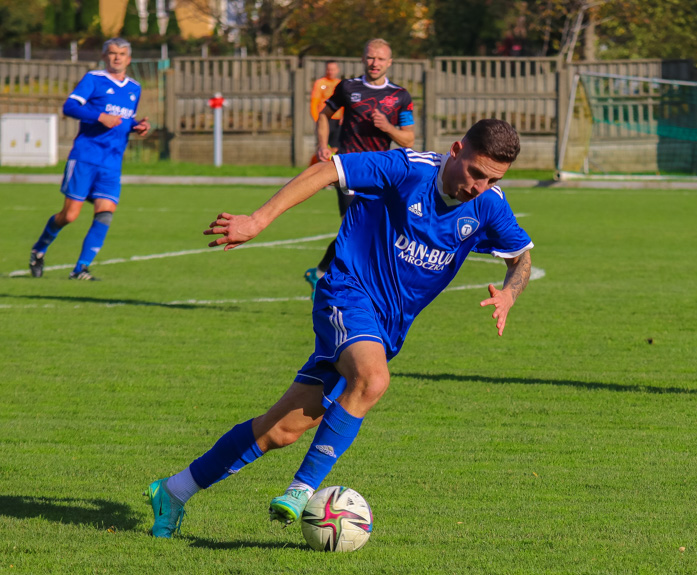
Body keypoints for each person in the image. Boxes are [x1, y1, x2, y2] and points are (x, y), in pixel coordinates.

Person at [146, 119, 533, 538]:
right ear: (456, 150)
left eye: (492, 178)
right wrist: (258, 220)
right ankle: (302, 489)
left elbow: (522, 257)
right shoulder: (407, 169)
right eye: (476, 172)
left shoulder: (489, 203)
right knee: (372, 379)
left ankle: (173, 491)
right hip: (346, 294)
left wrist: (511, 293)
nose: (478, 186)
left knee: (282, 429)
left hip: (387, 327)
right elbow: (328, 169)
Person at [28, 38, 150, 281]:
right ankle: (39, 250)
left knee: (105, 214)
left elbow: (125, 120)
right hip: (85, 157)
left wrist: (138, 126)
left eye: (122, 54)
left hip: (112, 162)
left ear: (129, 58)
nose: (117, 58)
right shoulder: (94, 80)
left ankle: (80, 269)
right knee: (69, 216)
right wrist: (99, 117)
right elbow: (69, 107)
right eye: (112, 53)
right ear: (105, 56)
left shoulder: (134, 88)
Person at [304, 38, 415, 296]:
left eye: (380, 59)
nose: (374, 63)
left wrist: (388, 127)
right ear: (363, 59)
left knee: (362, 228)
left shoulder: (400, 96)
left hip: (380, 172)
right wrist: (322, 145)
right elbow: (323, 115)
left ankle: (320, 273)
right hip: (348, 168)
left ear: (389, 62)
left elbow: (408, 139)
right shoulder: (348, 87)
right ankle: (348, 283)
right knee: (354, 224)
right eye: (370, 57)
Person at [309, 60, 342, 162]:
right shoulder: (321, 83)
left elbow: (344, 104)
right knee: (322, 148)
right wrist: (317, 120)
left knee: (336, 148)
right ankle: (317, 170)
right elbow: (314, 103)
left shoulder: (340, 84)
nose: (330, 72)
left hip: (338, 121)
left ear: (337, 70)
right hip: (325, 120)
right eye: (328, 69)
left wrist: (343, 118)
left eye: (333, 69)